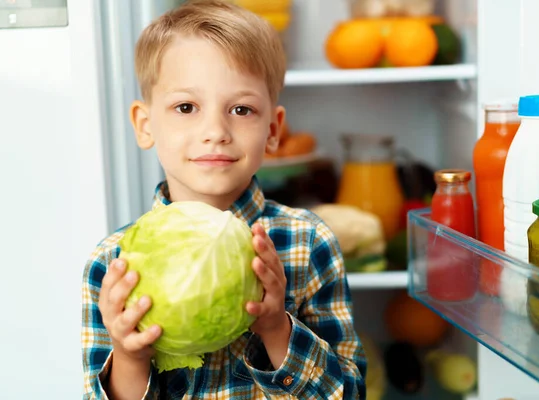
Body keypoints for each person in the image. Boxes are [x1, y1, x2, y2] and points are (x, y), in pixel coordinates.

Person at [81, 1, 367, 399]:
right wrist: (130, 358)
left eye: (241, 109)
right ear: (145, 126)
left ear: (273, 130)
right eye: (186, 107)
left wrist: (276, 329)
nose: (215, 130)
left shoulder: (307, 242)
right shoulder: (114, 264)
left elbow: (349, 393)